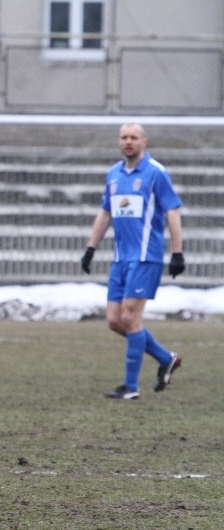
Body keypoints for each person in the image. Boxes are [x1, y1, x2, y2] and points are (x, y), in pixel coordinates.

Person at [80, 123, 184, 400]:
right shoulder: (114, 174)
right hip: (120, 258)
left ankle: (130, 387)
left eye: (134, 138)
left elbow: (172, 212)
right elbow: (105, 213)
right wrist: (91, 248)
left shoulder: (156, 173)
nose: (128, 142)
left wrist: (177, 252)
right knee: (115, 321)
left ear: (144, 142)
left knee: (130, 316)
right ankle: (165, 358)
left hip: (146, 257)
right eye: (124, 137)